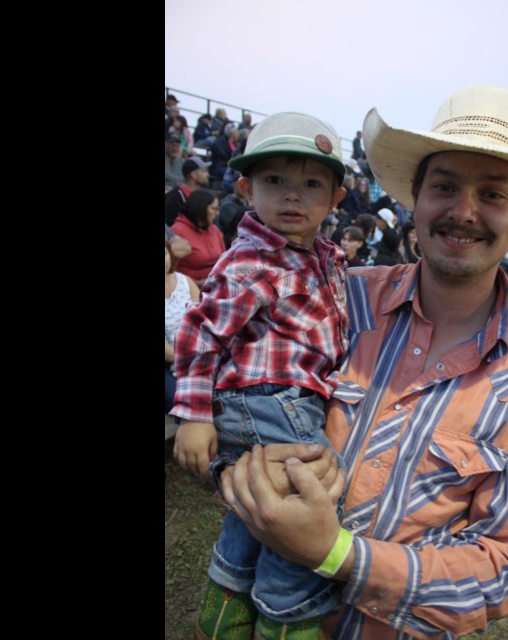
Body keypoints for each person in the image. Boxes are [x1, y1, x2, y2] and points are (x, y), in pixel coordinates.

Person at [215, 85, 508, 639]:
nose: (463, 212)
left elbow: (506, 569)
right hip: (255, 612)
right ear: (414, 198)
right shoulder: (334, 301)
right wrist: (237, 467)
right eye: (444, 186)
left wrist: (334, 552)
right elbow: (235, 386)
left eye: (492, 194)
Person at [170, 112, 350, 640]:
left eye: (312, 184)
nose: (293, 197)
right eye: (275, 182)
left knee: (257, 502)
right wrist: (194, 415)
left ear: (335, 199)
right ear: (247, 189)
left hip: (293, 398)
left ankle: (226, 610)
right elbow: (200, 335)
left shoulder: (322, 256)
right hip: (267, 398)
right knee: (311, 495)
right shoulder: (251, 261)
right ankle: (289, 615)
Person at [165, 239, 200, 414]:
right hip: (173, 360)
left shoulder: (185, 281)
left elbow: (204, 319)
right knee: (182, 401)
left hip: (200, 350)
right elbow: (167, 352)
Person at [169, 189, 226, 287]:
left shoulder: (215, 230)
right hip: (190, 289)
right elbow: (170, 272)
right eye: (213, 209)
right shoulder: (177, 231)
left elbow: (224, 261)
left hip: (217, 286)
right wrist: (196, 284)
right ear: (201, 208)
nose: (217, 213)